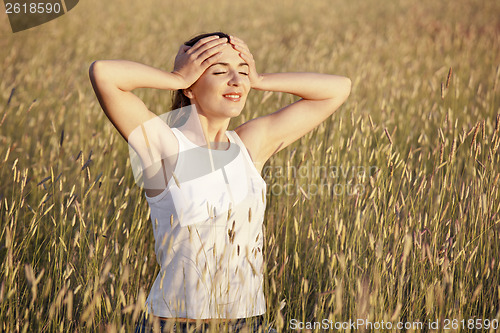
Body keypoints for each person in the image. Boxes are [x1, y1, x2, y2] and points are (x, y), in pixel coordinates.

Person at [89, 32, 351, 333]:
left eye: (241, 71)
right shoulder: (163, 146)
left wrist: (261, 78)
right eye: (219, 71)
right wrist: (177, 77)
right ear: (191, 87)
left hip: (247, 323)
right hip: (175, 325)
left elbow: (338, 88)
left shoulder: (250, 145)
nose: (236, 81)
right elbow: (104, 73)